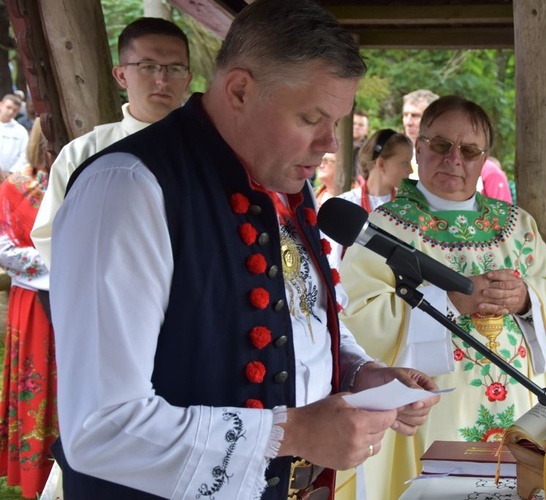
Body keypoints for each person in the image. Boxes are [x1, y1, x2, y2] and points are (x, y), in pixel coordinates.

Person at [50, 1, 440, 498]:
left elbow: (300, 323)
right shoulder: (128, 189)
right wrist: (293, 432)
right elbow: (100, 428)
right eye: (311, 117)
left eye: (335, 120)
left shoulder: (284, 182)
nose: (330, 144)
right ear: (239, 89)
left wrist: (362, 375)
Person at [338, 95, 546, 499]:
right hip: (433, 407)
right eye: (440, 145)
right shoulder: (384, 228)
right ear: (419, 148)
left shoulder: (516, 224)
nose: (454, 159)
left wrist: (526, 298)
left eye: (469, 150)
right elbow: (363, 317)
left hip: (518, 402)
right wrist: (450, 303)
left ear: (483, 159)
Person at [31, 17, 193, 269]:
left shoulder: (210, 151)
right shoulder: (83, 154)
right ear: (121, 75)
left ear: (188, 78)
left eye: (174, 69)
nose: (162, 80)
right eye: (148, 66)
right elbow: (51, 237)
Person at [0, 119, 56, 498]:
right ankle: (38, 473)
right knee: (40, 380)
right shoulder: (16, 187)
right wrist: (62, 260)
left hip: (79, 301)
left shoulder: (76, 181)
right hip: (35, 302)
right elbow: (3, 250)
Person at [327, 129, 412, 270]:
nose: (410, 170)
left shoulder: (409, 207)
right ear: (381, 164)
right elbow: (333, 264)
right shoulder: (346, 205)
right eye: (404, 163)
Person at [402, 89, 439, 178]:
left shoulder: (449, 155)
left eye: (415, 115)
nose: (408, 122)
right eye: (405, 115)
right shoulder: (394, 152)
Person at [0, 94, 29, 177]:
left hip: (11, 177)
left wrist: (11, 172)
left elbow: (25, 155)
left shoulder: (21, 131)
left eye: (15, 110)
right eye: (8, 107)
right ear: (1, 105)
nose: (11, 112)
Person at [351, 109, 369, 177]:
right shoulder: (337, 146)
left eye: (361, 125)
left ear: (367, 130)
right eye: (354, 124)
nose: (356, 127)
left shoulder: (369, 150)